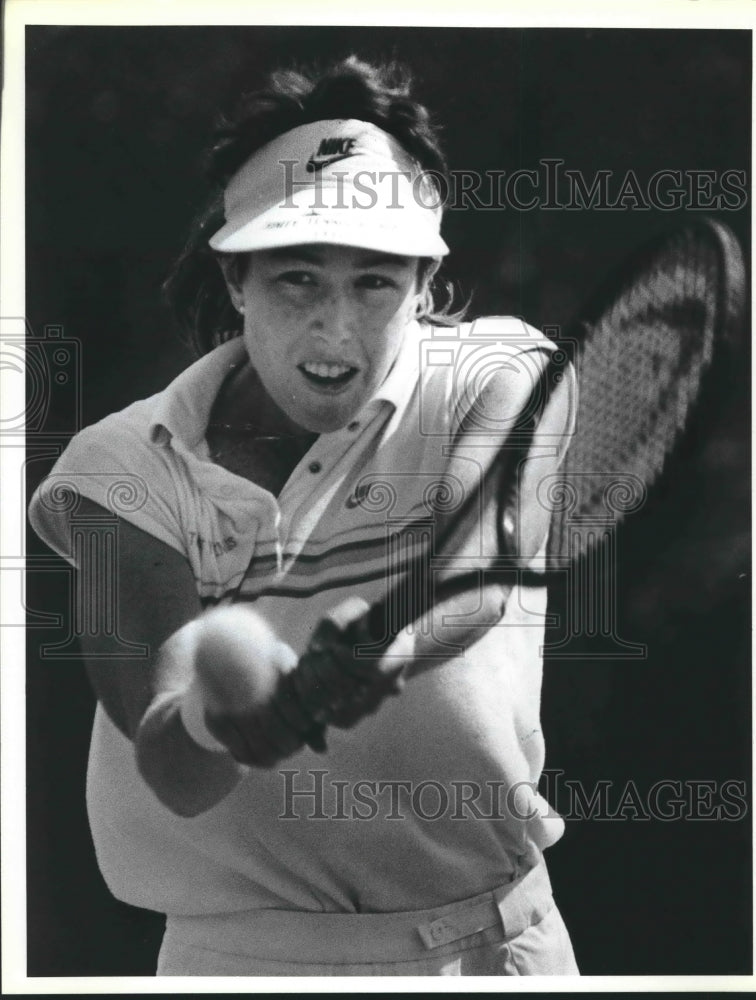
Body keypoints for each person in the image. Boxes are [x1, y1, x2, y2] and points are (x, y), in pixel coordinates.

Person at [28, 56, 579, 976]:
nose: (335, 329)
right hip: (242, 965)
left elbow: (472, 575)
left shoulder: (500, 374)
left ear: (423, 284)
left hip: (500, 946)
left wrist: (370, 653)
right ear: (235, 279)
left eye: (374, 283)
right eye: (296, 278)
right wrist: (234, 720)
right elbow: (175, 770)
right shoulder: (120, 466)